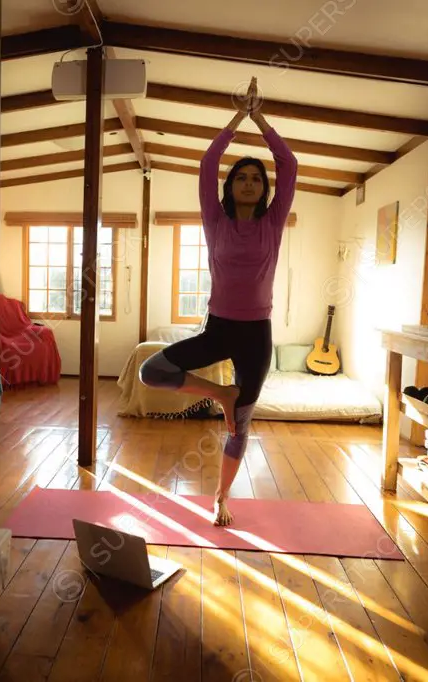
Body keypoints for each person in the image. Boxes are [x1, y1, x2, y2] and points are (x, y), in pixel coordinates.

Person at [139, 77, 298, 527]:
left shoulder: (272, 223)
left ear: (264, 189)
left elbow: (288, 163)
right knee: (152, 371)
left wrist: (260, 118)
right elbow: (208, 163)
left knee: (239, 426)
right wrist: (236, 119)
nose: (249, 182)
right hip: (219, 326)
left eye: (256, 178)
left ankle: (221, 498)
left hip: (256, 334)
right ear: (230, 188)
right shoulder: (215, 220)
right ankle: (220, 394)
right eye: (241, 177)